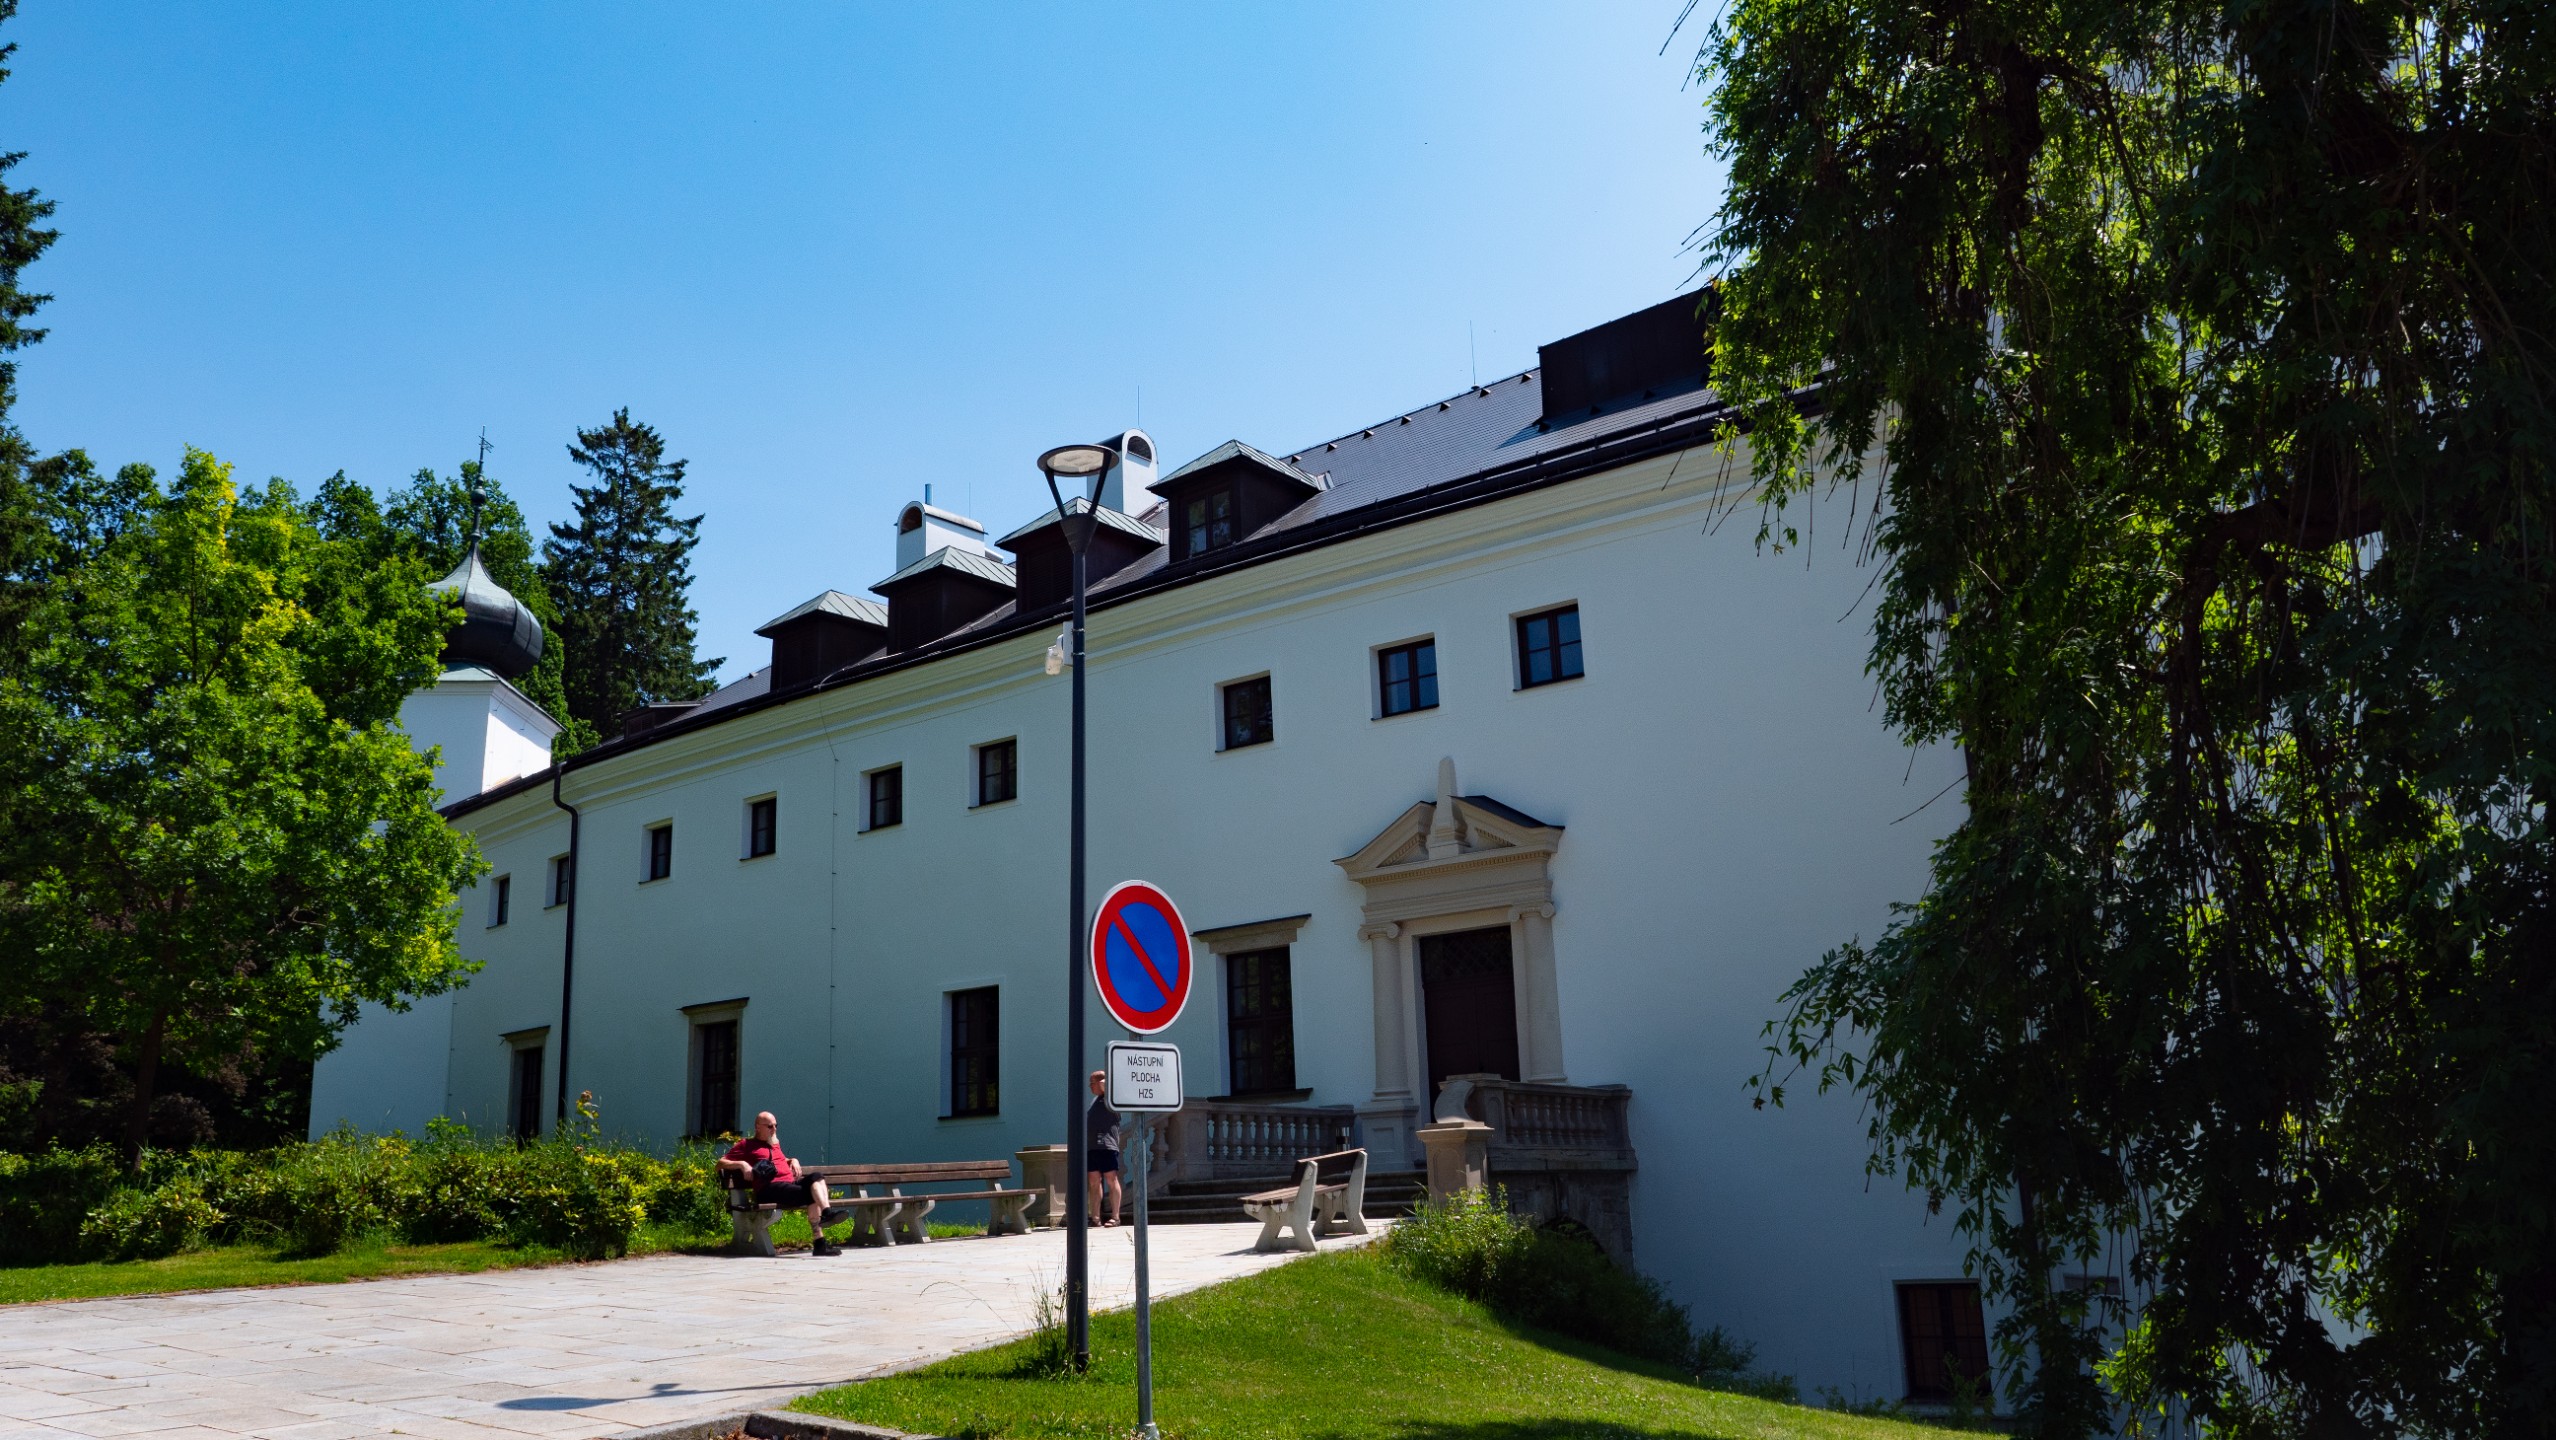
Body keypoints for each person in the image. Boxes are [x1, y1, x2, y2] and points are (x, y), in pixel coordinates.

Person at [718, 1111, 849, 1256]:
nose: (774, 1129)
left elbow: (780, 1160)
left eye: (776, 1125)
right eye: (769, 1126)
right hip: (768, 1189)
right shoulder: (746, 1145)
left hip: (788, 1186)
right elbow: (720, 1163)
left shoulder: (774, 1143)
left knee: (816, 1177)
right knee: (810, 1193)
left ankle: (826, 1214)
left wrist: (793, 1160)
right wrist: (742, 1164)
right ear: (758, 1127)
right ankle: (820, 1241)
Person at [1085, 1070, 1123, 1227]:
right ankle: (1095, 1218)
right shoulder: (1095, 1100)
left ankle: (1116, 1217)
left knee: (1111, 1179)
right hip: (1092, 1146)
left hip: (1107, 1146)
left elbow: (1107, 1085)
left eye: (1092, 1083)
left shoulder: (1111, 1098)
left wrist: (1103, 1081)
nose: (1090, 1086)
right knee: (1094, 1181)